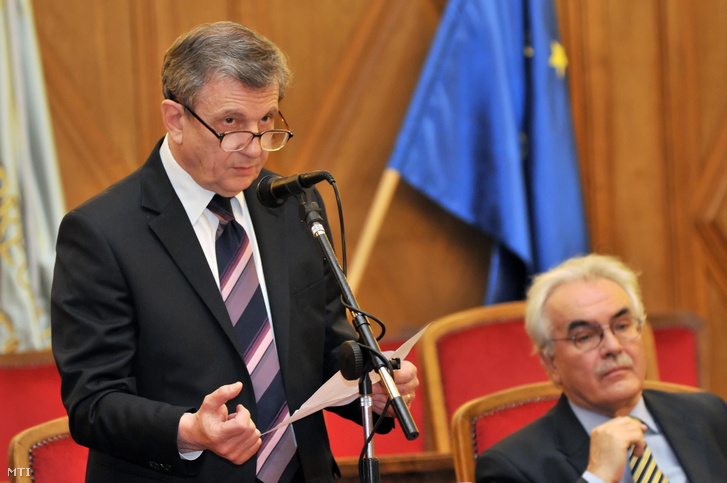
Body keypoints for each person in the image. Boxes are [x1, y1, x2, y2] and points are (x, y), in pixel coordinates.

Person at [51, 21, 418, 483]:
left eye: (267, 122)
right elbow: (93, 403)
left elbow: (324, 345)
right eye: (231, 124)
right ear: (175, 118)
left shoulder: (294, 204)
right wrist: (188, 430)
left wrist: (370, 385)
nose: (255, 148)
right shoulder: (101, 233)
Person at [476, 254, 727, 482]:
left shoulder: (708, 416)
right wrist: (597, 477)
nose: (613, 347)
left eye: (622, 326)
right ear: (551, 363)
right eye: (585, 336)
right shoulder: (511, 468)